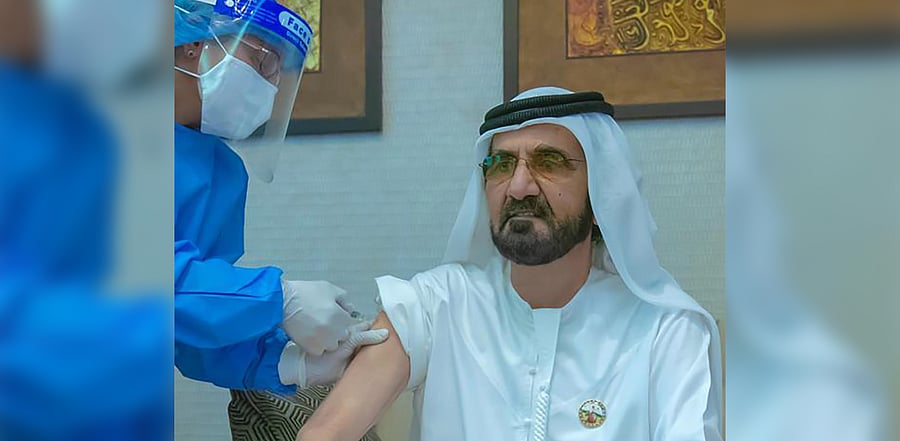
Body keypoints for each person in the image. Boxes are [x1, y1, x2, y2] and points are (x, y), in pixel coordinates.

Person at [295, 87, 724, 441]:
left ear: (602, 200)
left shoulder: (666, 329)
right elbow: (325, 435)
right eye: (500, 165)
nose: (518, 187)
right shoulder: (432, 306)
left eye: (550, 162)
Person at [173, 0, 386, 395]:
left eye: (279, 75)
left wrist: (287, 362)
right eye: (264, 62)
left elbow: (194, 325)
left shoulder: (218, 173)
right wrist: (278, 298)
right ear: (194, 43)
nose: (269, 89)